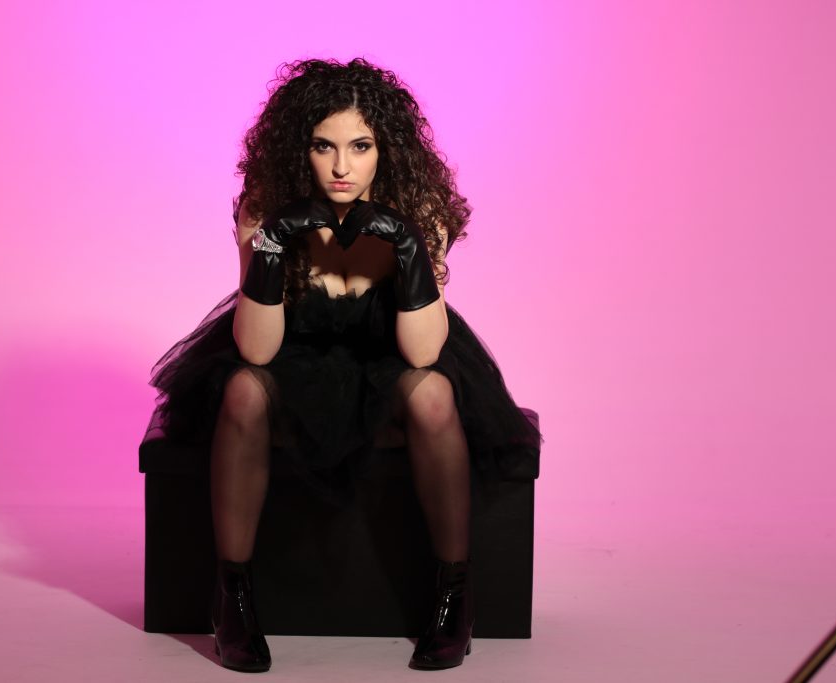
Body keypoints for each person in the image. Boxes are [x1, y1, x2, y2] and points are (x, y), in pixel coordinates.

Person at [148, 57, 543, 672]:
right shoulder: (264, 207)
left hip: (391, 357)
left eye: (360, 147)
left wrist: (406, 243)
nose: (340, 167)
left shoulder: (419, 208)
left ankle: (454, 599)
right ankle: (233, 599)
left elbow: (422, 352)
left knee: (434, 393)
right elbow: (256, 350)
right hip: (289, 357)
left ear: (385, 150)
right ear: (298, 150)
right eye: (322, 146)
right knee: (243, 391)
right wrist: (274, 243)